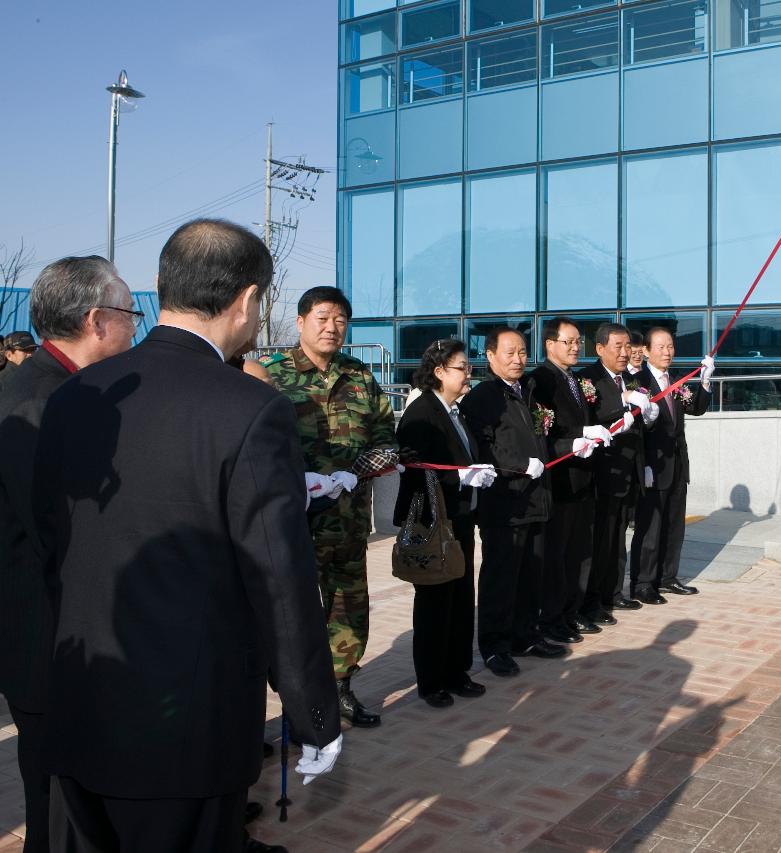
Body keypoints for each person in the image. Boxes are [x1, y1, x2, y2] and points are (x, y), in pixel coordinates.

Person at [32, 219, 341, 852]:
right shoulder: (251, 408)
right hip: (186, 721)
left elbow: (49, 545)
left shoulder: (76, 394)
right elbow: (279, 579)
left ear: (159, 287)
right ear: (250, 300)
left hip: (81, 697)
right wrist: (312, 712)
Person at [0, 257, 137, 853]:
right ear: (95, 321)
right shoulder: (39, 401)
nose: (137, 327)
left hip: (61, 632)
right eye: (131, 313)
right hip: (47, 637)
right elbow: (58, 530)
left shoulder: (62, 389)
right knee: (57, 807)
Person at [262, 286, 397, 729]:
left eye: (339, 319)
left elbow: (386, 438)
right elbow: (253, 445)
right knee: (293, 615)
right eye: (322, 317)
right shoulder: (270, 375)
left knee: (349, 607)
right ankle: (298, 707)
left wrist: (358, 471)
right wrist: (293, 477)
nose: (331, 327)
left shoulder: (359, 375)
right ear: (300, 322)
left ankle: (340, 690)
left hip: (349, 520)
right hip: (293, 523)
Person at [393, 339, 496, 708]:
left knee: (461, 595)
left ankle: (457, 670)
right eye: (461, 367)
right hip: (434, 523)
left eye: (468, 367)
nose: (468, 374)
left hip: (461, 519)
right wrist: (461, 478)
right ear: (438, 372)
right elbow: (415, 470)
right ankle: (432, 680)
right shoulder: (421, 413)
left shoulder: (456, 410)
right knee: (436, 601)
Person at [459, 328, 565, 678]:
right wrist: (518, 466)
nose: (518, 359)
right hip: (504, 504)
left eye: (522, 352)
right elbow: (484, 449)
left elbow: (542, 439)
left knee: (531, 576)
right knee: (500, 579)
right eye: (510, 352)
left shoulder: (530, 392)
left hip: (536, 499)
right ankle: (494, 646)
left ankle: (525, 636)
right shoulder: (481, 399)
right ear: (490, 356)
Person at [526, 318, 614, 643]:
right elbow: (542, 435)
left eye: (579, 342)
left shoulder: (576, 379)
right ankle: (551, 619)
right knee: (557, 556)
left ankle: (571, 612)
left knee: (580, 552)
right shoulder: (539, 382)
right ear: (550, 344)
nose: (577, 347)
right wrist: (578, 437)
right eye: (569, 342)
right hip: (560, 482)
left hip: (584, 480)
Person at [577, 324, 657, 623]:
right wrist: (621, 403)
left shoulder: (630, 380)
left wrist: (646, 416)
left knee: (617, 539)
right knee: (599, 543)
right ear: (600, 349)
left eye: (628, 347)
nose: (625, 353)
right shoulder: (587, 378)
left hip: (628, 472)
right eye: (619, 347)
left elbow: (637, 426)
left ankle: (612, 593)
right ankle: (590, 601)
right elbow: (591, 415)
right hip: (602, 473)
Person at [628, 327, 714, 603]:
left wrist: (705, 381)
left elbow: (696, 408)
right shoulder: (636, 382)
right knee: (650, 527)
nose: (667, 352)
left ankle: (667, 577)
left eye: (671, 347)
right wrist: (643, 466)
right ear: (647, 351)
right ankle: (643, 583)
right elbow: (633, 427)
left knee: (674, 526)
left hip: (677, 464)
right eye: (662, 347)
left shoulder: (675, 381)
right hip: (652, 467)